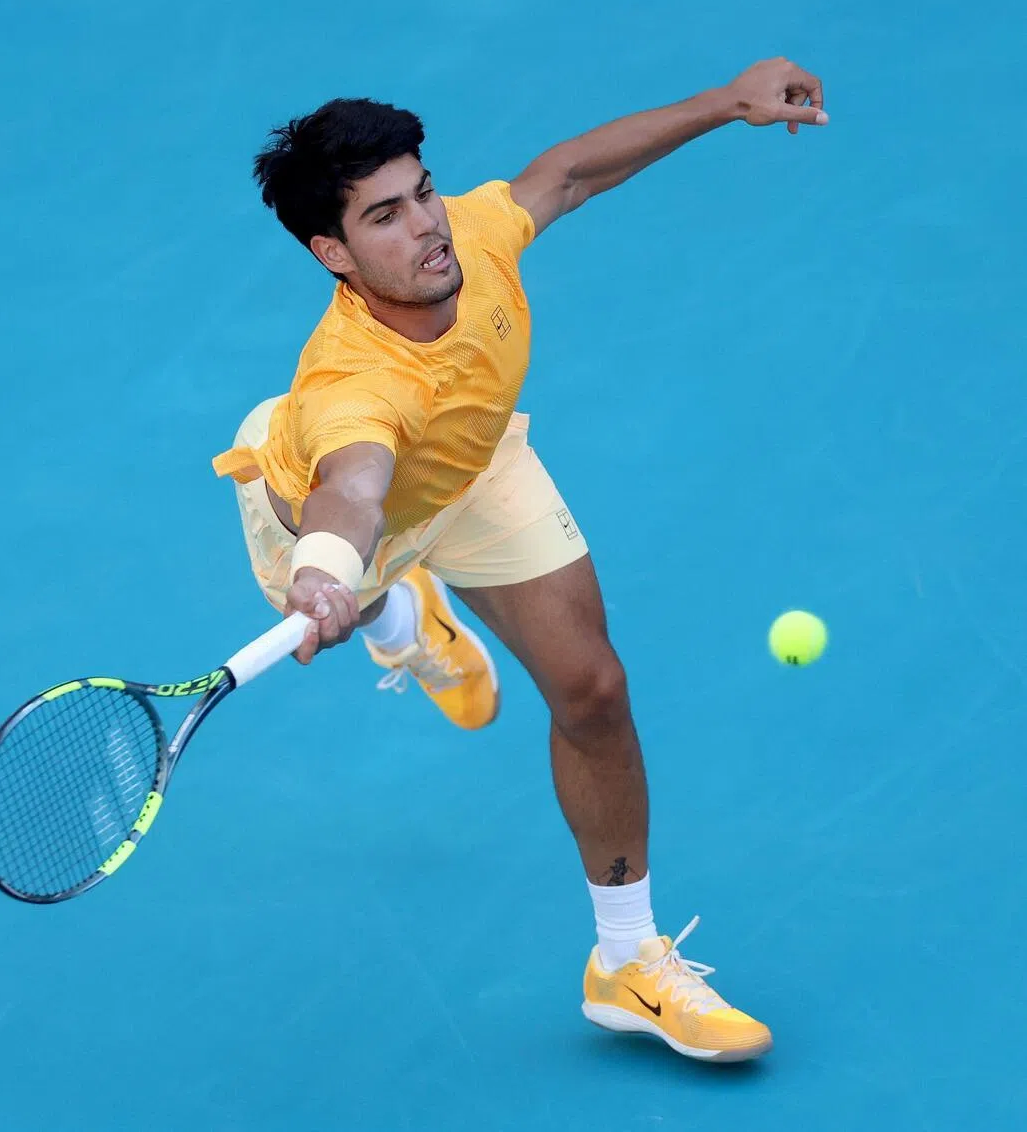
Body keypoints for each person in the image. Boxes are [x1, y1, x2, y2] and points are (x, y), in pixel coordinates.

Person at [213, 57, 826, 1063]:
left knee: (592, 688)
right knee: (361, 602)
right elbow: (355, 486)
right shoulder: (350, 391)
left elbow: (570, 171)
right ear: (330, 250)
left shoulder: (472, 232)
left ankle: (626, 963)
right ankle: (401, 620)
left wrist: (726, 101)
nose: (427, 229)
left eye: (422, 194)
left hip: (470, 464)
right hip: (333, 517)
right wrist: (326, 573)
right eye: (385, 218)